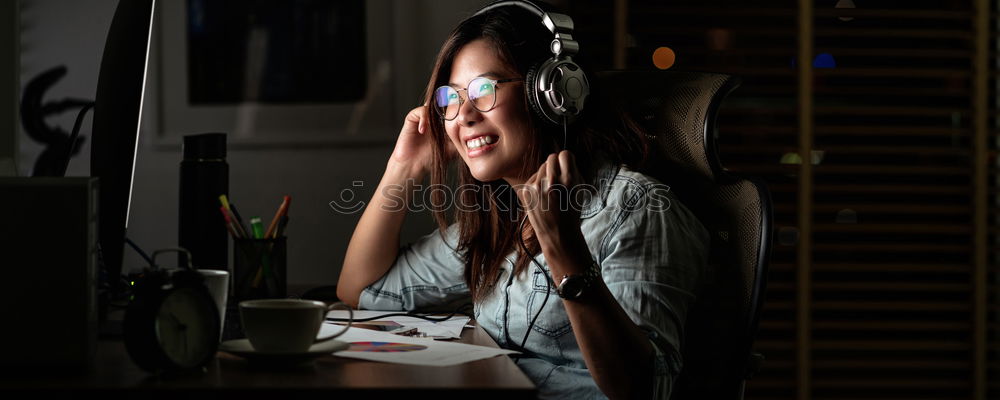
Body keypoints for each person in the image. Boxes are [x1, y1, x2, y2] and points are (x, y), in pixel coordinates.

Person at [336, 2, 709, 399]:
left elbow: (646, 390)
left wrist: (564, 251)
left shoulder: (637, 210)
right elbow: (360, 289)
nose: (462, 115)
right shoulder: (504, 215)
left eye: (484, 89)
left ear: (552, 95)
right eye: (451, 97)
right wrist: (404, 168)